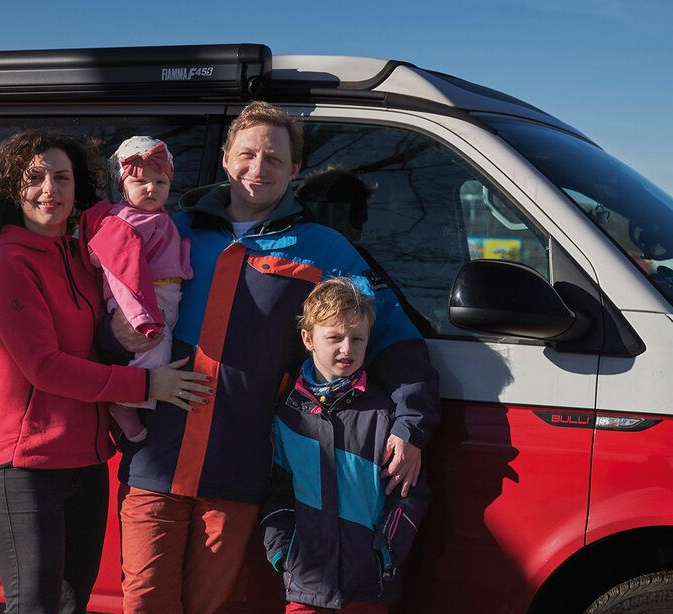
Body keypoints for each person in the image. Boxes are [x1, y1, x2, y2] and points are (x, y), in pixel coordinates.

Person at [107, 101, 440, 614]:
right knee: (145, 604)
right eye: (246, 154)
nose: (258, 168)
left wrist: (411, 424)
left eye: (274, 158)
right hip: (156, 457)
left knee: (207, 608)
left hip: (237, 468)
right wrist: (114, 335)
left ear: (296, 169)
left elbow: (391, 335)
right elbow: (103, 302)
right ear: (225, 157)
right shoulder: (171, 229)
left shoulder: (322, 248)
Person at [0, 129, 208, 614]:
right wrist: (146, 383)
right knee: (34, 606)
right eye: (35, 178)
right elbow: (45, 368)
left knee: (72, 604)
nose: (49, 190)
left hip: (87, 461)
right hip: (25, 464)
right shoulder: (9, 262)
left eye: (62, 178)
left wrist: (123, 338)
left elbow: (99, 343)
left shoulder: (85, 258)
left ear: (78, 188)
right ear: (12, 188)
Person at [262, 277, 430, 613]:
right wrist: (282, 551)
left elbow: (409, 494)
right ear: (308, 339)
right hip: (305, 583)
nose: (347, 349)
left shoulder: (384, 415)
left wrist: (385, 554)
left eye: (357, 338)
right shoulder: (287, 414)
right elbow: (275, 492)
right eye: (335, 338)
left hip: (368, 583)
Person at [81, 136, 193, 443]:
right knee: (154, 351)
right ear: (122, 186)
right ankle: (124, 403)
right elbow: (121, 272)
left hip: (160, 296)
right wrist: (140, 316)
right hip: (141, 298)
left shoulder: (154, 217)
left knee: (159, 349)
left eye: (161, 182)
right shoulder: (124, 222)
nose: (151, 188)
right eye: (140, 182)